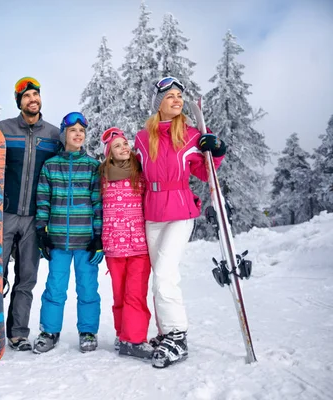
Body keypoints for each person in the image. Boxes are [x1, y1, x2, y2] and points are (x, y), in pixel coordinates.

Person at [133, 76, 227, 368]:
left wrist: (216, 149)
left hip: (180, 211)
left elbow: (205, 173)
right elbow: (133, 173)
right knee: (156, 277)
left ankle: (178, 335)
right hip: (152, 212)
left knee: (164, 273)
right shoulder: (141, 138)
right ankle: (165, 333)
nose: (177, 100)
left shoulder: (190, 135)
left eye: (179, 95)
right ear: (158, 102)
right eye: (170, 95)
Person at [0, 77, 61, 351]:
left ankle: (18, 333)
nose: (33, 99)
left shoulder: (54, 135)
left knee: (27, 278)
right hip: (4, 214)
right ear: (19, 101)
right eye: (27, 96)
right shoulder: (2, 130)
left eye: (36, 95)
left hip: (35, 218)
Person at [33, 112, 103, 354]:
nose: (78, 135)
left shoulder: (93, 166)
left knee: (87, 288)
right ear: (64, 135)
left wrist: (98, 237)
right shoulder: (51, 166)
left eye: (81, 131)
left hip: (85, 242)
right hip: (59, 240)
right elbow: (43, 201)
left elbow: (97, 203)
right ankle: (49, 331)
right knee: (55, 287)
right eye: (73, 131)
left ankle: (88, 331)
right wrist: (41, 232)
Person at [99, 127, 154, 360]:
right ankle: (123, 337)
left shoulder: (140, 172)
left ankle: (136, 339)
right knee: (120, 295)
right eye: (118, 145)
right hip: (113, 244)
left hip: (139, 244)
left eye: (125, 143)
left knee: (136, 294)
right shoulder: (102, 176)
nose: (124, 147)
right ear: (109, 153)